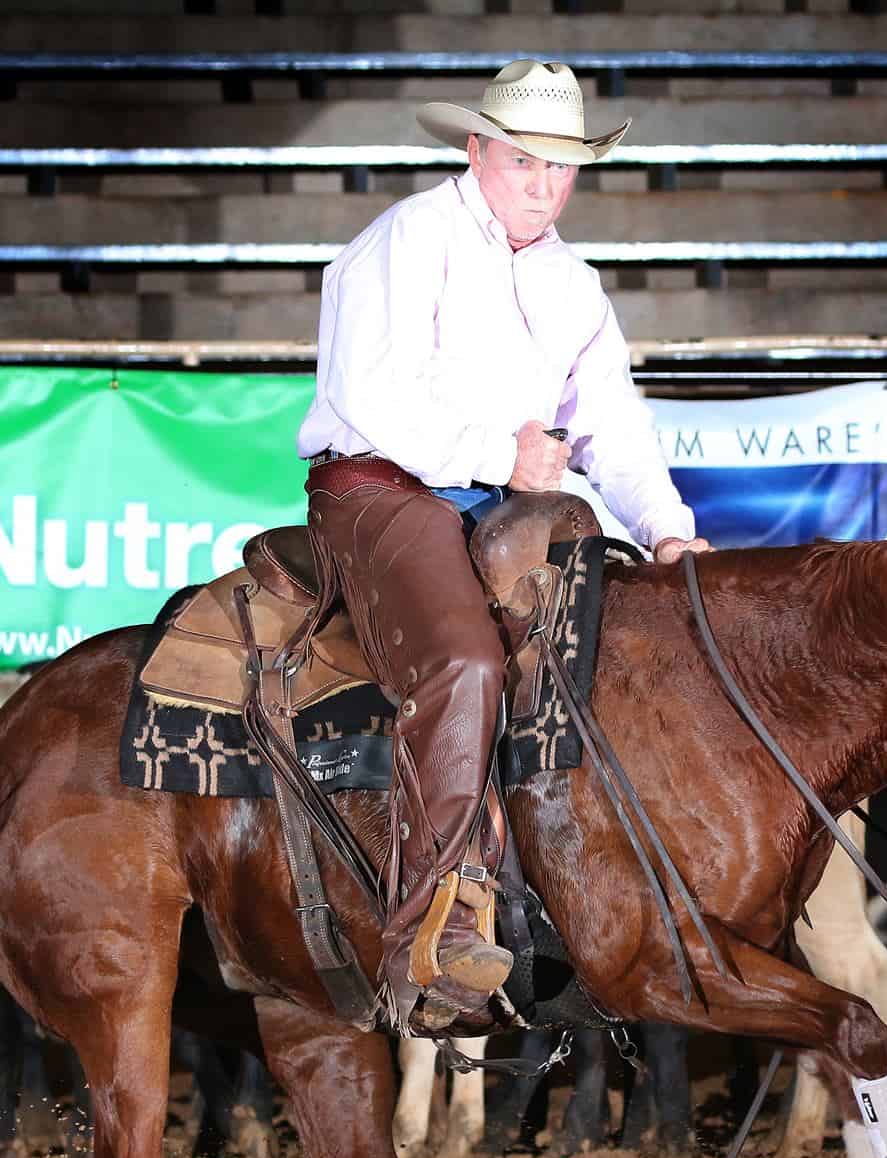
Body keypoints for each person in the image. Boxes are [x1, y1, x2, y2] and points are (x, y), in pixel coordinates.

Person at [295, 60, 711, 1033]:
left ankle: (577, 905)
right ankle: (430, 935)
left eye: (561, 167)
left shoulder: (573, 284)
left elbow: (613, 426)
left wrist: (670, 531)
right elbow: (373, 393)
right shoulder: (406, 239)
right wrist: (500, 453)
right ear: (477, 149)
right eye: (525, 160)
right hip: (381, 485)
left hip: (499, 497)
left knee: (611, 663)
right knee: (467, 660)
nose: (544, 184)